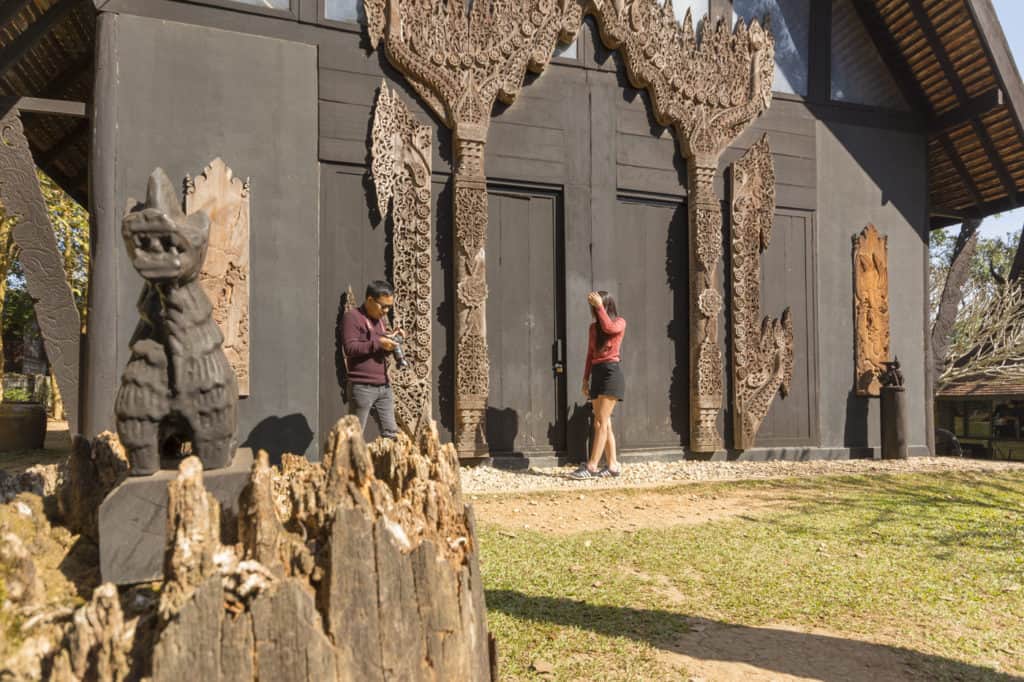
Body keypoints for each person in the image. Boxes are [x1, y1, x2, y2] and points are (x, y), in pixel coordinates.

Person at [570, 290, 626, 480]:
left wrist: (599, 306)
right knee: (605, 422)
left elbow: (609, 328)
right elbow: (589, 354)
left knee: (600, 422)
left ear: (606, 305)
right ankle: (612, 465)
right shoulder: (593, 328)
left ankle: (592, 466)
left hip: (611, 372)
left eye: (597, 306)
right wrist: (585, 379)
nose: (594, 310)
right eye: (593, 307)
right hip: (597, 372)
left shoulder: (619, 322)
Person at [341, 280, 402, 439]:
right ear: (369, 300)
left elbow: (377, 349)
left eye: (390, 307)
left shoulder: (380, 321)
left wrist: (391, 343)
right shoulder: (352, 317)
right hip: (362, 386)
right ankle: (347, 464)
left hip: (384, 386)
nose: (386, 311)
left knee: (392, 435)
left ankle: (389, 464)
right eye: (383, 306)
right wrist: (379, 343)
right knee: (353, 438)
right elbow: (350, 348)